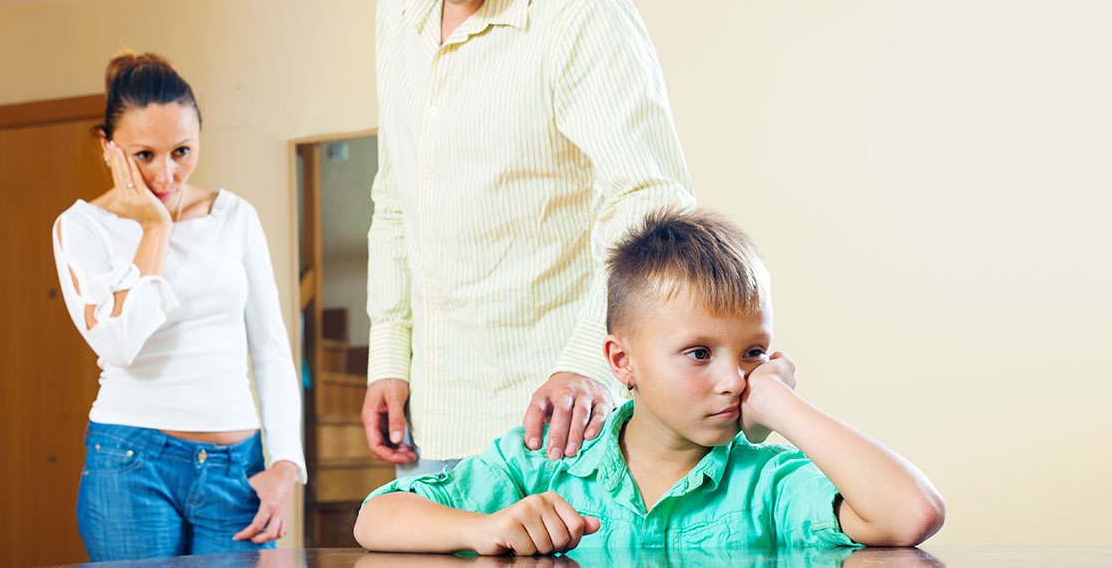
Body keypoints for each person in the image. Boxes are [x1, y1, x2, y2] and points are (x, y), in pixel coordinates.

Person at [346, 0, 695, 478]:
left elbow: (650, 200)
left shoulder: (581, 7)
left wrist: (588, 361)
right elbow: (395, 196)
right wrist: (389, 359)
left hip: (557, 419)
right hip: (433, 420)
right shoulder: (393, 11)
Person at [351, 208, 946, 554]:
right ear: (621, 361)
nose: (733, 380)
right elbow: (375, 518)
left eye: (753, 353)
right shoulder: (547, 461)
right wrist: (484, 529)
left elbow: (910, 514)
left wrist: (779, 401)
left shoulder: (768, 482)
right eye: (697, 353)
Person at [50, 52, 306, 560]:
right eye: (144, 155)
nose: (166, 174)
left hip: (238, 469)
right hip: (129, 461)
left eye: (182, 152)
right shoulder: (81, 228)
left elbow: (271, 349)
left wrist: (286, 466)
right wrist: (155, 228)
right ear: (108, 147)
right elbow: (120, 345)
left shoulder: (235, 217)